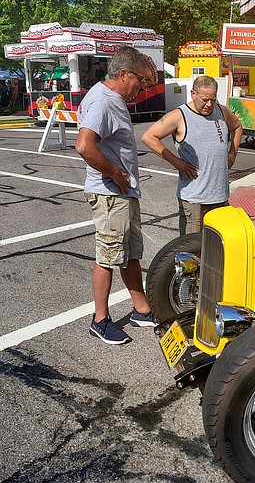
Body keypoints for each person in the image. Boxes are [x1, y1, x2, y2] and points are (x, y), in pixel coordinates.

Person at [75, 46, 157, 345]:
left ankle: (141, 310)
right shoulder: (103, 101)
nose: (141, 87)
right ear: (123, 74)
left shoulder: (111, 98)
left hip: (123, 194)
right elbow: (84, 146)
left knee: (130, 254)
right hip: (111, 195)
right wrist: (114, 173)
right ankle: (100, 320)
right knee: (108, 256)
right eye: (139, 80)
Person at [141, 75, 242, 236]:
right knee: (191, 251)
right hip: (194, 201)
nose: (209, 104)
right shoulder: (179, 115)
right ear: (193, 94)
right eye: (204, 99)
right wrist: (176, 162)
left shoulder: (221, 111)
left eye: (213, 99)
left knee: (217, 247)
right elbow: (149, 137)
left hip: (220, 197)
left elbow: (237, 126)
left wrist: (233, 152)